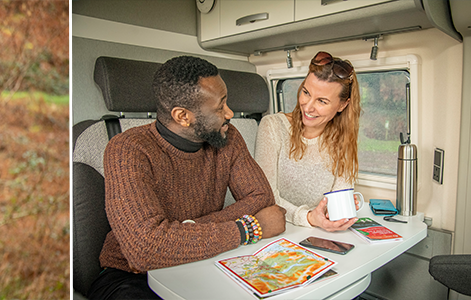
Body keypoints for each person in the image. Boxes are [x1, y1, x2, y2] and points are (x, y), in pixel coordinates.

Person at [87, 56, 287, 300]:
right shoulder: (128, 149)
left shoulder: (228, 138)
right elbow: (144, 249)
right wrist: (249, 228)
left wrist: (180, 233)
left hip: (205, 260)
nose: (230, 113)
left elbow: (261, 197)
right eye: (220, 106)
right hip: (130, 276)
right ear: (182, 116)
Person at [255, 51, 362, 232]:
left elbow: (336, 198)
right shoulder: (272, 127)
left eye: (322, 101)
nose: (308, 106)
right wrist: (309, 217)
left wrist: (338, 211)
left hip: (318, 232)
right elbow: (266, 197)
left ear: (342, 105)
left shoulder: (344, 139)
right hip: (277, 230)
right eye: (306, 92)